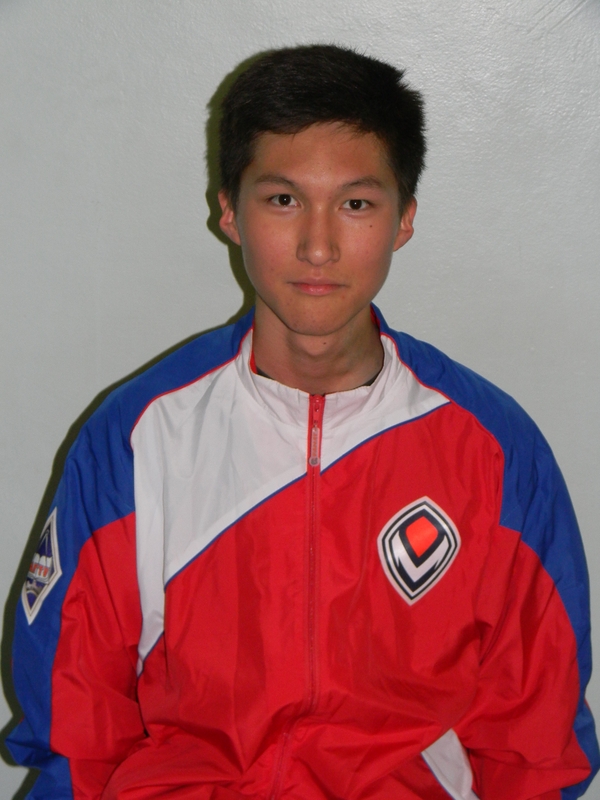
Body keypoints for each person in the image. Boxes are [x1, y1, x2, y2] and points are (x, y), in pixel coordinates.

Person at [6, 44, 599, 800]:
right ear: (229, 210)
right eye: (283, 200)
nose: (319, 247)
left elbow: (536, 745)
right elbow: (73, 730)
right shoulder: (137, 436)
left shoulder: (495, 449)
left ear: (404, 219)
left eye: (356, 204)